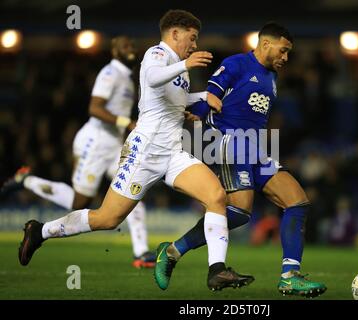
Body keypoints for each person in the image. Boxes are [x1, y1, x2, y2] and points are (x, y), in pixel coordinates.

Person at [17, 9, 254, 292]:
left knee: (216, 196)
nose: (194, 45)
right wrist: (186, 65)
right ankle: (40, 231)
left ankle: (217, 271)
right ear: (175, 33)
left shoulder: (178, 67)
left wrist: (202, 98)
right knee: (107, 218)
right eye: (192, 38)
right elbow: (153, 78)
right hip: (144, 153)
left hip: (172, 154)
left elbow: (174, 100)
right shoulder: (157, 54)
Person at [154, 22, 327, 297]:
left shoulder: (271, 77)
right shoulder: (236, 64)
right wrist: (197, 112)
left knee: (297, 202)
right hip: (229, 141)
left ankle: (289, 277)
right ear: (266, 43)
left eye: (288, 53)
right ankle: (174, 252)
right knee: (240, 212)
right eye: (283, 51)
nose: (285, 58)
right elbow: (211, 98)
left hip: (256, 148)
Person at [2, 36, 155, 268]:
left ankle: (141, 252)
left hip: (113, 146)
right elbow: (94, 108)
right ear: (115, 52)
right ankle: (28, 181)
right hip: (94, 144)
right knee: (79, 201)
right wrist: (126, 122)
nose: (131, 49)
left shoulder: (126, 77)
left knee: (134, 189)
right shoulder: (110, 73)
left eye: (133, 45)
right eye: (125, 46)